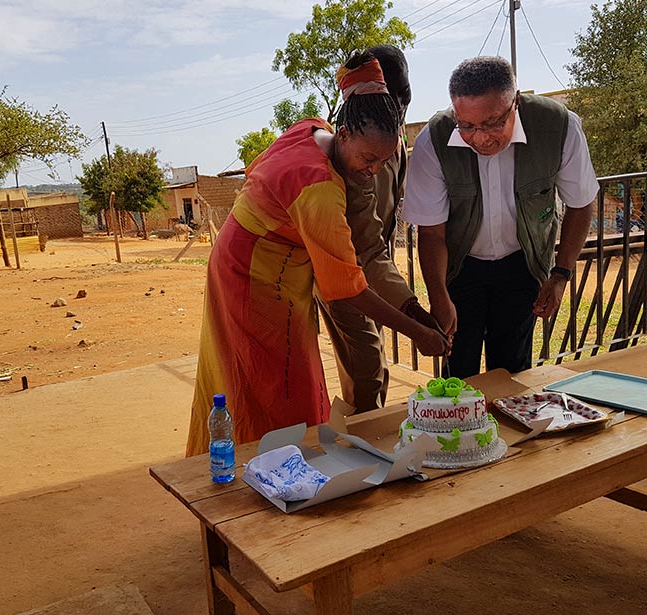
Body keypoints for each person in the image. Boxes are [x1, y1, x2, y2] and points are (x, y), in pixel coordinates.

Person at [185, 52, 448, 456]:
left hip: (271, 267)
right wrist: (417, 333)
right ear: (344, 134)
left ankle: (273, 463)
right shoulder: (320, 188)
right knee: (273, 382)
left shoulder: (313, 129)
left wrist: (414, 311)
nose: (374, 171)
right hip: (253, 275)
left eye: (383, 161)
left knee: (284, 376)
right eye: (368, 159)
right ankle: (262, 473)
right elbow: (348, 289)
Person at [403, 56, 598, 379]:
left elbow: (581, 203)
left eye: (493, 123)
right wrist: (439, 295)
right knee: (457, 372)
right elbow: (432, 233)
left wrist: (560, 274)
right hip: (459, 267)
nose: (480, 138)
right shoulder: (434, 139)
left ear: (515, 103)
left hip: (522, 263)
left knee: (511, 372)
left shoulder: (558, 126)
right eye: (466, 125)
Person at [314, 44, 440, 413]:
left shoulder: (390, 141)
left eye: (402, 96)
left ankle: (363, 437)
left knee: (371, 364)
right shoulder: (355, 153)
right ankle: (360, 448)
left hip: (373, 270)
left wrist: (410, 309)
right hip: (345, 273)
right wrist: (414, 318)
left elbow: (378, 240)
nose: (398, 106)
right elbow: (363, 247)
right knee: (368, 368)